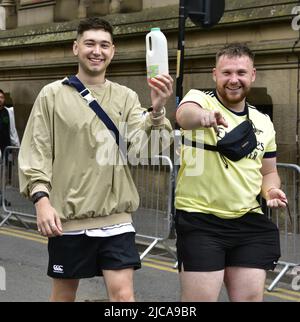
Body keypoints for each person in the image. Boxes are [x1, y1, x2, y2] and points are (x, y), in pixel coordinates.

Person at [18, 17, 173, 302]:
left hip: (116, 219)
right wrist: (42, 201)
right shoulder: (51, 95)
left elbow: (145, 150)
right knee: (64, 296)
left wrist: (158, 109)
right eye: (89, 43)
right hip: (68, 220)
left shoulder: (126, 97)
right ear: (75, 48)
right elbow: (36, 151)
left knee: (124, 297)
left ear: (113, 51)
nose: (96, 51)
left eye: (104, 45)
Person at [175, 42, 287, 302]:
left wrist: (270, 189)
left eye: (241, 73)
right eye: (226, 73)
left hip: (248, 221)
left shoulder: (263, 121)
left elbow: (268, 171)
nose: (233, 79)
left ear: (253, 75)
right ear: (215, 74)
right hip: (200, 219)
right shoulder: (200, 100)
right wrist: (204, 117)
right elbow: (184, 114)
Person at [0, 89, 20, 159]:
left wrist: (16, 144)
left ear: (4, 99)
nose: (0, 99)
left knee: (8, 166)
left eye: (1, 97)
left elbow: (13, 130)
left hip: (7, 148)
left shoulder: (9, 112)